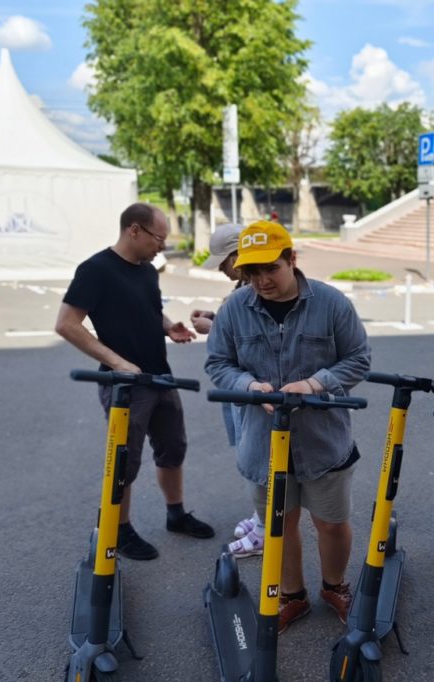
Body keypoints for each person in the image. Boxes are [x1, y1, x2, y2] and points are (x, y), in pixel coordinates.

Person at [205, 220, 371, 632]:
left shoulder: (332, 303)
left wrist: (316, 383)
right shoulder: (233, 310)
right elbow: (217, 364)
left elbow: (358, 358)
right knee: (281, 525)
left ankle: (335, 586)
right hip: (262, 444)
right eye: (251, 272)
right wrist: (249, 386)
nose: (261, 280)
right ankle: (292, 595)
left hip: (323, 440)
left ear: (291, 260)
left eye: (270, 269)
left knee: (331, 522)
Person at [55, 202, 214, 561]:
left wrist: (167, 326)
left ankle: (176, 515)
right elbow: (66, 324)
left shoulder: (146, 271)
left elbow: (147, 310)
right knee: (124, 461)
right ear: (134, 230)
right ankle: (119, 529)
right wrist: (115, 362)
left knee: (173, 449)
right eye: (159, 238)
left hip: (160, 375)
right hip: (126, 384)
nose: (162, 246)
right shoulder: (95, 270)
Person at [190, 224, 267, 557]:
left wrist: (213, 328)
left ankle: (266, 527)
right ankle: (261, 516)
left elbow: (252, 340)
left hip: (252, 387)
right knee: (249, 456)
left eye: (223, 262)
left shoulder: (256, 288)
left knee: (256, 459)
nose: (222, 270)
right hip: (239, 387)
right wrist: (217, 319)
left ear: (239, 254)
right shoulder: (242, 287)